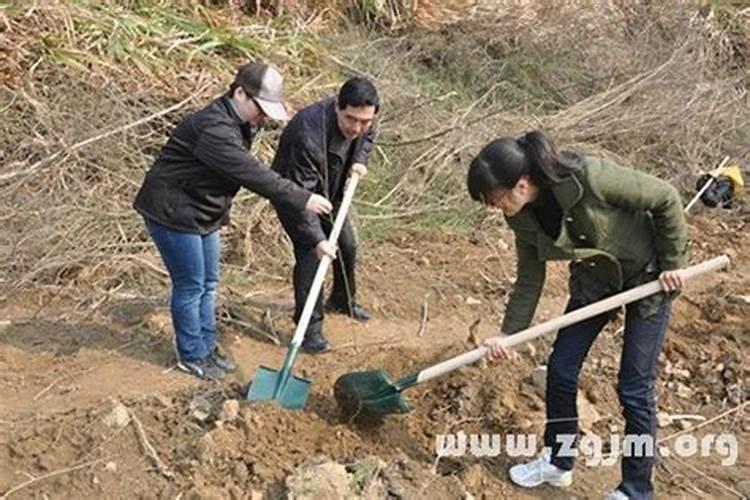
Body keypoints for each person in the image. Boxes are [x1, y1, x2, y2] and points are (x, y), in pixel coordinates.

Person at [467, 130, 688, 500]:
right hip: (595, 282)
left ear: (521, 184)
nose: (494, 207)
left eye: (495, 198)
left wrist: (672, 262)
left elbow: (665, 198)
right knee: (562, 368)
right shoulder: (520, 218)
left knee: (634, 387)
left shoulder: (590, 177)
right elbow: (529, 277)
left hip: (649, 276)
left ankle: (635, 490)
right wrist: (510, 333)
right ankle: (558, 461)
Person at [134, 62, 332, 380]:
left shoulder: (240, 121)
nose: (263, 118)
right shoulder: (213, 129)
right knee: (191, 286)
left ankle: (208, 346)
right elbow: (252, 173)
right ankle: (191, 354)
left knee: (209, 284)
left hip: (202, 211)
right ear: (239, 92)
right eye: (261, 109)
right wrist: (302, 197)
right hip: (172, 211)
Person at [272, 77, 379, 354]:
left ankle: (343, 300)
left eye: (364, 121)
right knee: (312, 254)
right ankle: (309, 329)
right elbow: (301, 196)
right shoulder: (307, 135)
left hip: (330, 192)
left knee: (347, 245)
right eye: (350, 119)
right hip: (296, 195)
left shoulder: (367, 117)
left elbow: (366, 137)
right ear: (336, 107)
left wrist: (359, 160)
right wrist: (318, 239)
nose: (357, 127)